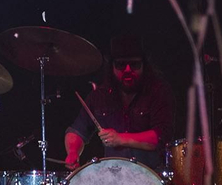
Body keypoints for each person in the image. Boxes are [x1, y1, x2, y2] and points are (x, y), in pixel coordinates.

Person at [62, 35, 173, 173]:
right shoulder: (100, 97)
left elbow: (160, 137)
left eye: (134, 64)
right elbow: (76, 132)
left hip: (150, 176)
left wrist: (120, 138)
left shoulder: (157, 93)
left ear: (144, 65)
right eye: (121, 65)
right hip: (113, 177)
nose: (127, 70)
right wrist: (73, 152)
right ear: (112, 67)